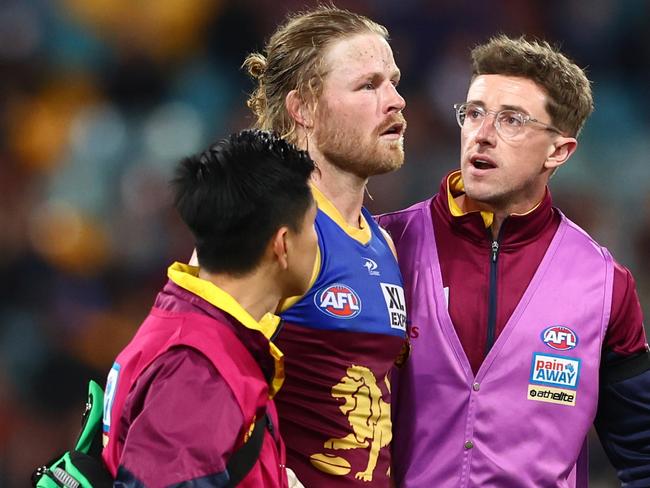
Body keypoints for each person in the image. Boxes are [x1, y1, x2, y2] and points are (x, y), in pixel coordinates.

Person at [378, 35, 650, 487]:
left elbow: (643, 450)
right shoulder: (385, 245)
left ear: (558, 151)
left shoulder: (604, 286)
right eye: (475, 112)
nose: (482, 134)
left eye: (511, 120)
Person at [241, 6, 408, 487]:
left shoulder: (380, 243)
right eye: (368, 85)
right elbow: (188, 371)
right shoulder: (269, 228)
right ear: (304, 109)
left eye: (394, 82)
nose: (396, 100)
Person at [101, 129, 317, 487]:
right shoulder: (200, 370)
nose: (317, 241)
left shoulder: (190, 331)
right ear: (282, 245)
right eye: (311, 226)